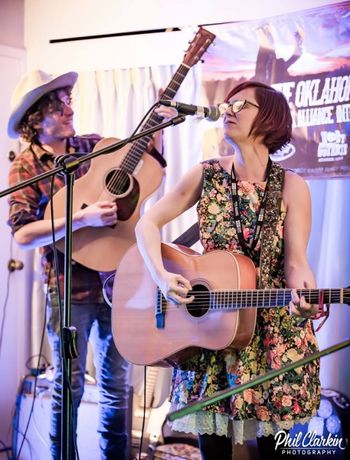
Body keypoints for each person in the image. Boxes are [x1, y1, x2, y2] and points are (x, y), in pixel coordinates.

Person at [135, 81, 323, 460]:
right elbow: (147, 224)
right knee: (215, 451)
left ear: (270, 120)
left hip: (272, 329)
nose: (230, 109)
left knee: (275, 449)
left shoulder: (292, 186)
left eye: (244, 105)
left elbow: (296, 263)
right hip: (212, 328)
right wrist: (161, 276)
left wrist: (307, 298)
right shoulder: (205, 174)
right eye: (230, 103)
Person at [7, 69, 165, 460]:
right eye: (57, 107)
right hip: (68, 292)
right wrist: (82, 218)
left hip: (117, 284)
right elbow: (23, 234)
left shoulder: (93, 147)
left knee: (117, 386)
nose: (68, 110)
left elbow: (145, 167)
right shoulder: (26, 167)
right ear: (34, 120)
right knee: (70, 385)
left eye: (68, 102)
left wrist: (156, 131)